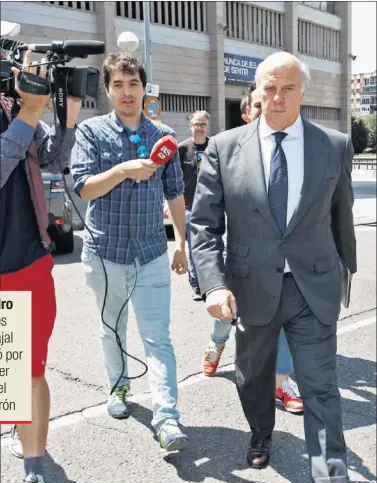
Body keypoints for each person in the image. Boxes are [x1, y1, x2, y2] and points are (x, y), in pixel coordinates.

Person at [190, 52, 362, 483]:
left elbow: (340, 216)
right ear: (257, 91)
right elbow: (204, 226)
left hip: (312, 286)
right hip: (250, 289)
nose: (277, 97)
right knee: (252, 376)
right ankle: (261, 432)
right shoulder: (225, 148)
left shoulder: (333, 145)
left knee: (321, 388)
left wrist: (345, 274)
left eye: (287, 88)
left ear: (303, 92)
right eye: (269, 87)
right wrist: (214, 285)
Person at [71, 53, 188, 452]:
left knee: (158, 337)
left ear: (143, 88)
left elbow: (175, 193)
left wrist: (181, 246)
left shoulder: (163, 135)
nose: (126, 92)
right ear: (107, 90)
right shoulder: (91, 132)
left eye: (133, 84)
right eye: (118, 85)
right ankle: (118, 388)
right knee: (112, 329)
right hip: (106, 253)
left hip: (153, 251)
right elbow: (83, 188)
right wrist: (122, 170)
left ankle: (167, 417)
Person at [1, 33, 81, 483]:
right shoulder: (19, 109)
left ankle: (34, 473)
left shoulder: (16, 101)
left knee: (28, 368)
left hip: (27, 259)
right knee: (9, 369)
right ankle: (14, 420)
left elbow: (52, 159)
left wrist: (64, 108)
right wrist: (29, 112)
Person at [202, 82, 303, 416]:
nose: (268, 110)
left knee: (282, 323)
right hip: (240, 263)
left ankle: (282, 382)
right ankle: (216, 345)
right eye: (258, 106)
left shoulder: (292, 151)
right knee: (228, 319)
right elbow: (207, 220)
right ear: (247, 114)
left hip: (281, 266)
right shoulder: (227, 151)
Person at [178, 111, 210, 300]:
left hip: (212, 206)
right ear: (190, 126)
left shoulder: (214, 146)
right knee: (192, 248)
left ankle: (211, 282)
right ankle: (196, 284)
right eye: (196, 124)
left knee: (212, 246)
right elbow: (174, 179)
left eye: (203, 124)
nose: (199, 128)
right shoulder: (182, 149)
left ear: (208, 127)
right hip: (189, 206)